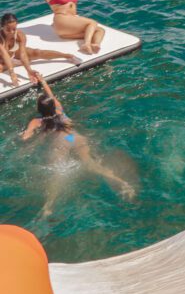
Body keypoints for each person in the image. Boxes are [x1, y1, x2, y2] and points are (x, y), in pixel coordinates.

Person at [22, 73, 135, 217]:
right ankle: (122, 183)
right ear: (52, 104)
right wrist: (42, 81)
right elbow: (51, 94)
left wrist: (26, 134)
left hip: (61, 143)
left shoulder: (37, 122)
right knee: (91, 164)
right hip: (74, 138)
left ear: (39, 110)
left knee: (57, 174)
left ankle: (48, 206)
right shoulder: (59, 109)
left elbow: (26, 137)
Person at [0, 13, 79, 87]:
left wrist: (29, 71)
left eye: (14, 29)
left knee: (36, 52)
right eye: (8, 29)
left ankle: (67, 56)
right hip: (2, 59)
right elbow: (4, 54)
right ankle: (15, 63)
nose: (11, 32)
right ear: (2, 27)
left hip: (13, 55)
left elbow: (23, 54)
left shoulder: (20, 35)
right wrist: (12, 73)